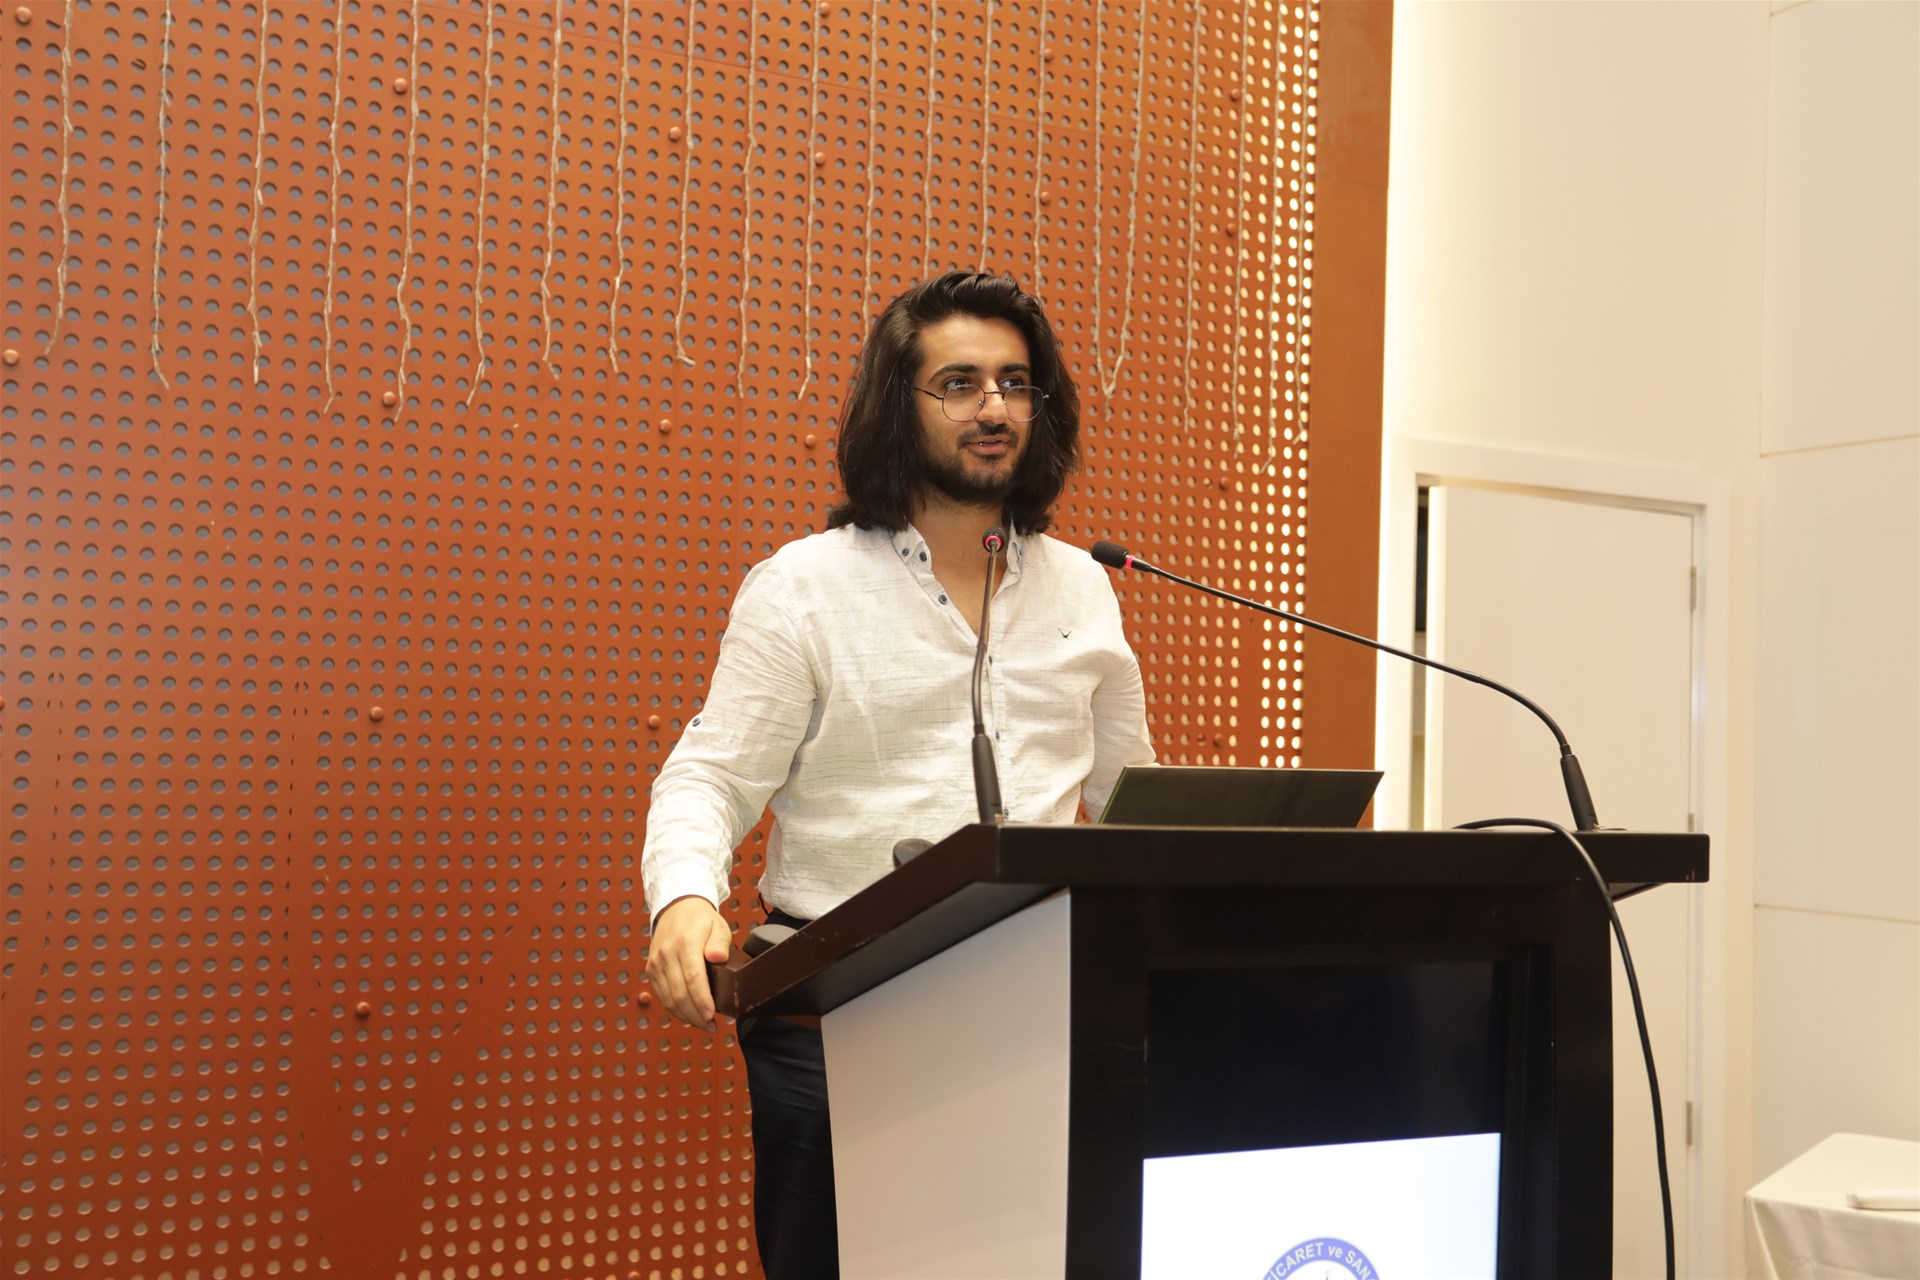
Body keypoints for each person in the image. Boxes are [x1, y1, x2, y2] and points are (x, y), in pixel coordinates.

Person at [641, 270, 1155, 1278]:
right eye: (959, 383)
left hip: (1036, 1010)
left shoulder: (1084, 587)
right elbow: (709, 777)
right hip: (838, 1014)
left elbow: (1130, 800)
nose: (994, 407)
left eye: (1015, 383)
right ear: (896, 404)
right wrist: (684, 898)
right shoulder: (806, 586)